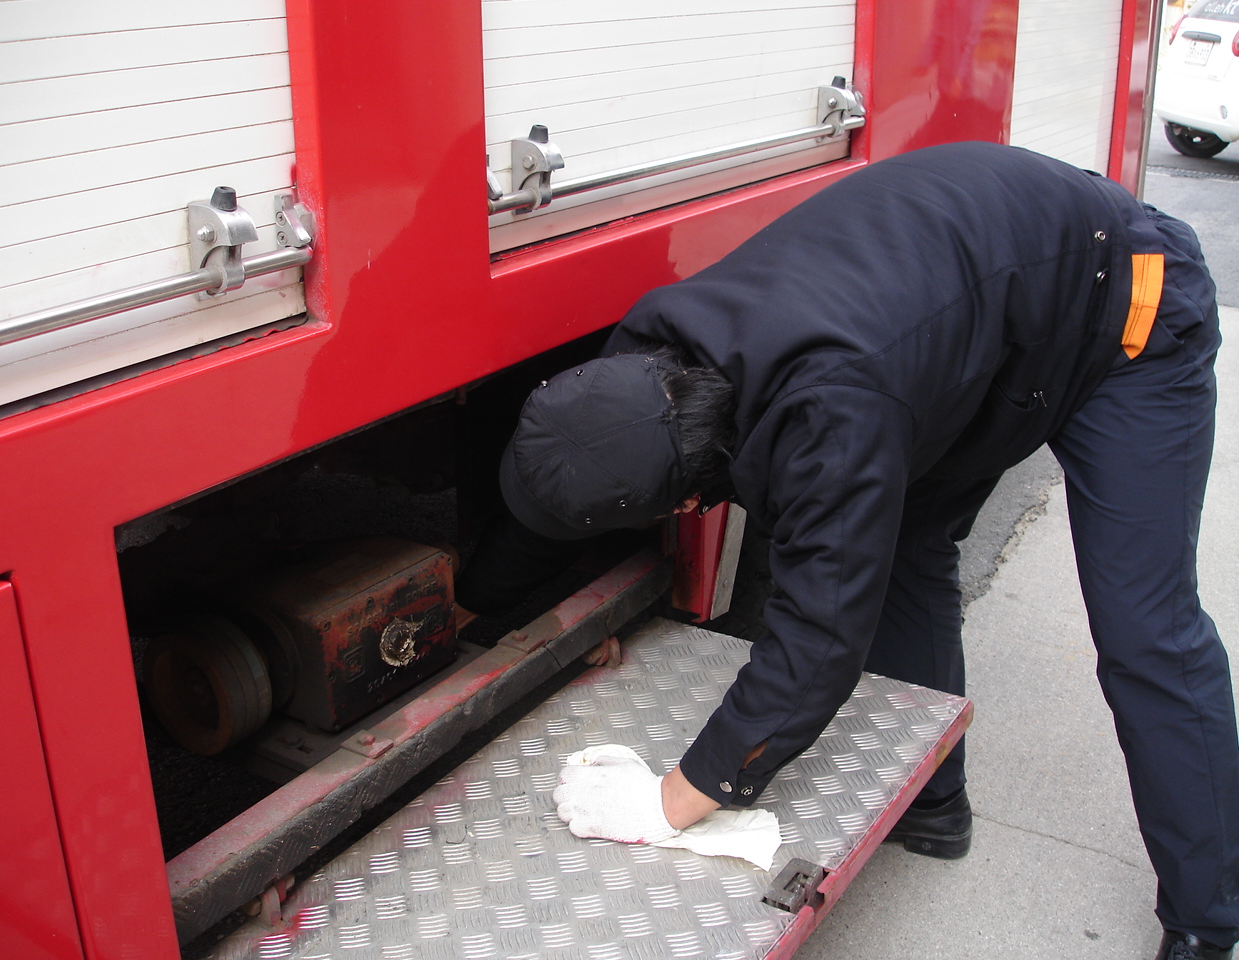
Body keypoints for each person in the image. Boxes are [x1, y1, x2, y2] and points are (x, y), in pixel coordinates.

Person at [454, 141, 1239, 960]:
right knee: (907, 547)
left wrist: (671, 803)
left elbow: (819, 637)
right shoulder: (639, 366)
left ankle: (1207, 920)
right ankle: (932, 802)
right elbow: (564, 495)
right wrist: (473, 608)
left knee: (1147, 630)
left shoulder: (830, 418)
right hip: (975, 311)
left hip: (1125, 306)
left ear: (688, 501)